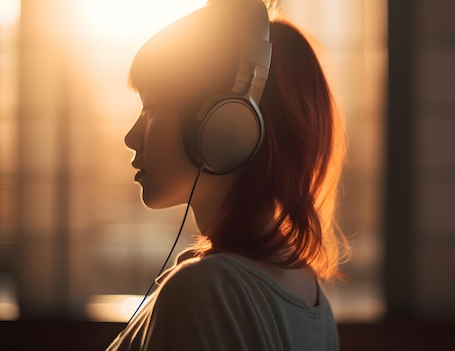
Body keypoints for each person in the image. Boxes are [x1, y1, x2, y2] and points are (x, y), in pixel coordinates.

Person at [107, 0, 349, 349]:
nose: (132, 136)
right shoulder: (308, 292)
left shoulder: (203, 291)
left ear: (225, 125)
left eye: (152, 109)